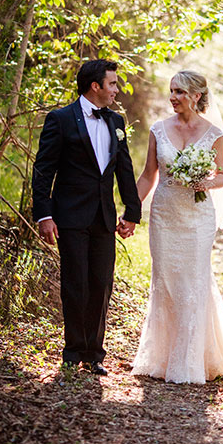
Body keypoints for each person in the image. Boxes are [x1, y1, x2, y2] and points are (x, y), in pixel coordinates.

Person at [132, 70, 223, 384]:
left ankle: (189, 361)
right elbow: (149, 175)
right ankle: (161, 357)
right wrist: (131, 210)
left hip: (198, 217)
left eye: (180, 92)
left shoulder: (213, 133)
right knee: (166, 281)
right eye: (171, 91)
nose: (173, 97)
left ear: (196, 96)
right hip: (165, 214)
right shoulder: (158, 130)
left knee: (194, 282)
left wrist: (205, 181)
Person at [32, 59, 141, 375]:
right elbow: (44, 170)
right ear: (96, 86)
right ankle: (72, 351)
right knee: (75, 283)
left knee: (101, 284)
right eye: (112, 84)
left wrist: (131, 212)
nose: (116, 91)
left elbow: (124, 168)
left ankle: (94, 354)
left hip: (104, 217)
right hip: (69, 216)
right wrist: (44, 215)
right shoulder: (61, 119)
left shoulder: (116, 121)